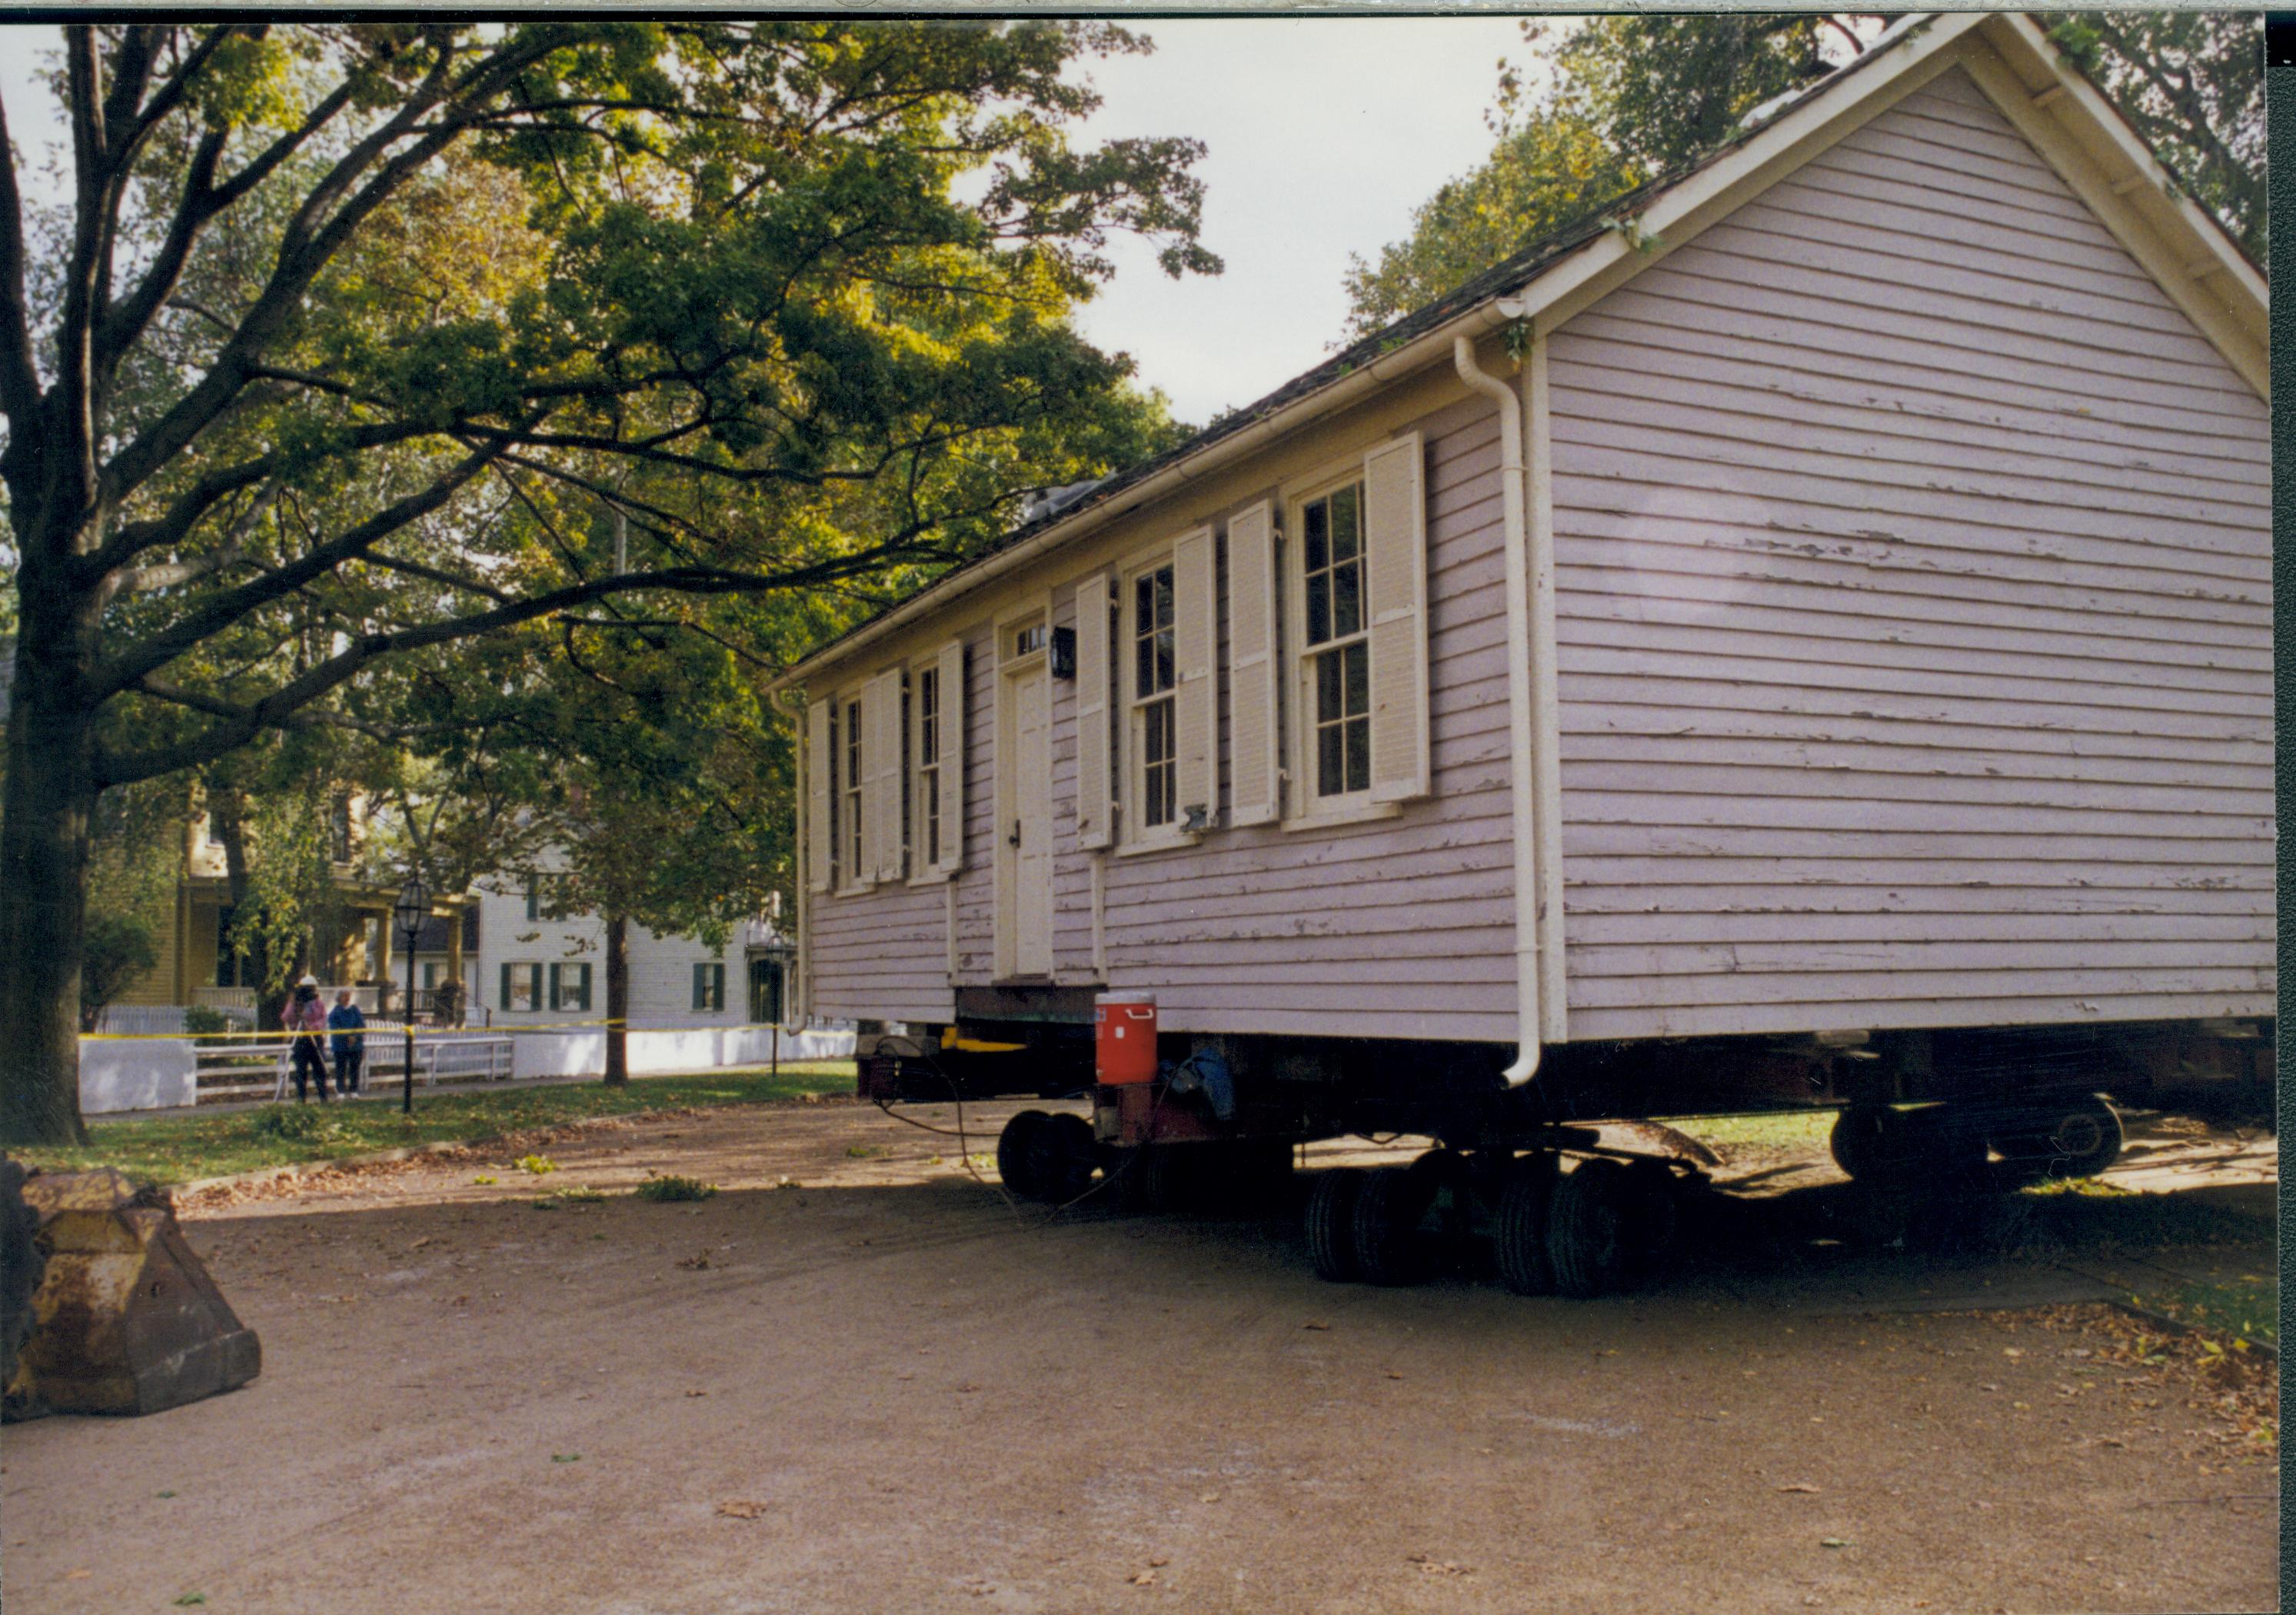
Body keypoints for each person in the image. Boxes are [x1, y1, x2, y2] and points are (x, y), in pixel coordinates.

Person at [282, 975, 333, 1103]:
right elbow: (286, 1018)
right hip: (300, 1038)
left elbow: (323, 1019)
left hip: (315, 1038)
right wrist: (294, 1004)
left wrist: (314, 1027)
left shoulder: (319, 1003)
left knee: (319, 1068)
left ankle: (323, 1097)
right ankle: (301, 1098)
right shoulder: (295, 1002)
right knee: (301, 1069)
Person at [328, 989, 367, 1097]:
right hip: (340, 1045)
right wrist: (347, 1037)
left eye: (348, 996)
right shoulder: (335, 1012)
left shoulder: (355, 1010)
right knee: (341, 1069)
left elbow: (361, 1026)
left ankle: (354, 1090)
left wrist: (355, 1036)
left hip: (356, 1045)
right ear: (339, 998)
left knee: (355, 1068)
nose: (347, 998)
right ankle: (341, 1091)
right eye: (344, 996)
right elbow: (335, 1028)